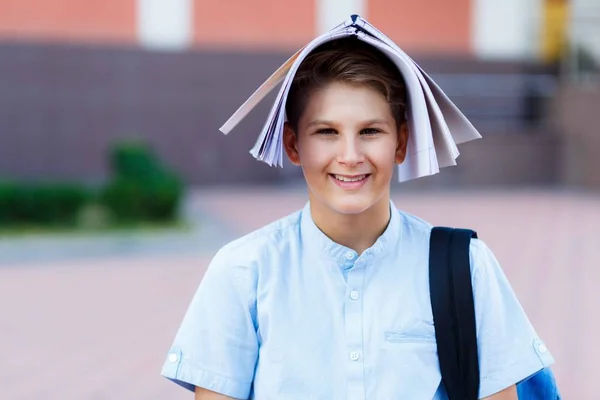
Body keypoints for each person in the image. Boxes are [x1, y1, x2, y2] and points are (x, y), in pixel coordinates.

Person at [160, 37, 554, 399]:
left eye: (370, 131)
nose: (350, 155)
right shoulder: (243, 271)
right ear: (294, 145)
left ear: (401, 143)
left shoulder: (467, 266)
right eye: (327, 131)